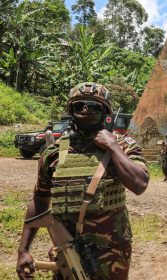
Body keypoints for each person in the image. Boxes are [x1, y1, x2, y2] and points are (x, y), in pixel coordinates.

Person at [16, 82, 149, 280]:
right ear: (71, 110)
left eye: (93, 106)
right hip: (67, 251)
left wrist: (112, 147)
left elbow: (139, 184)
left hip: (110, 253)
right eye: (79, 106)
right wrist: (23, 250)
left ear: (105, 112)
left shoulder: (123, 146)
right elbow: (40, 199)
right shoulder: (54, 153)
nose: (85, 109)